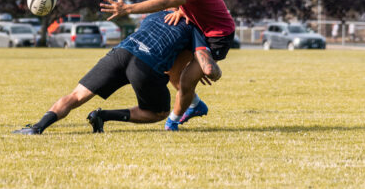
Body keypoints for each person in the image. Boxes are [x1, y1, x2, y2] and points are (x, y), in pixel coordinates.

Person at [100, 0, 235, 131]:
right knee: (172, 72)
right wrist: (182, 10)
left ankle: (172, 122)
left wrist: (128, 8)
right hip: (196, 28)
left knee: (187, 80)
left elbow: (166, 0)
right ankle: (196, 105)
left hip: (217, 36)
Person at [12, 11, 217, 134]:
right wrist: (202, 70)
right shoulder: (193, 28)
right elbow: (200, 58)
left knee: (76, 95)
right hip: (146, 63)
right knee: (159, 112)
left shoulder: (155, 14)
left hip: (120, 52)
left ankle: (38, 127)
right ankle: (103, 115)